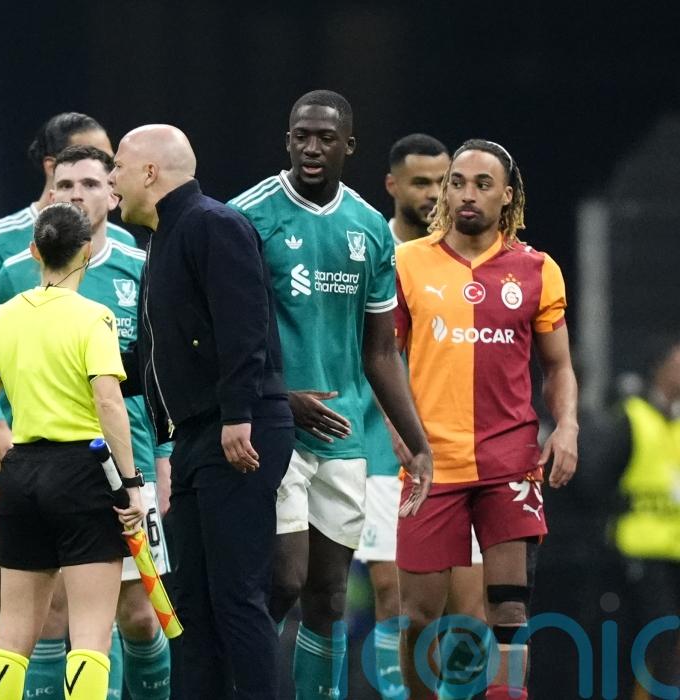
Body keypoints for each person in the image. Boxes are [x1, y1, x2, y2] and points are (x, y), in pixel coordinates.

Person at [229, 91, 433, 699]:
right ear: (288, 140)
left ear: (349, 145)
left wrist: (416, 441)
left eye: (324, 138)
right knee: (284, 580)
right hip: (273, 430)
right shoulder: (247, 217)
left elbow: (380, 352)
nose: (311, 148)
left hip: (343, 437)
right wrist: (275, 397)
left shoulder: (369, 229)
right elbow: (225, 333)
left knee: (330, 595)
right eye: (301, 136)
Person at [0, 111, 140, 696]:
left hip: (22, 473)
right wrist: (130, 484)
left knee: (12, 632)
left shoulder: (4, 316)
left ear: (33, 251)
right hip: (86, 473)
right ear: (85, 253)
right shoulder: (95, 317)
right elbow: (111, 404)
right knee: (92, 634)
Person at [112, 123, 293, 700]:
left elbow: (245, 326)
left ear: (149, 172)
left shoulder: (212, 224)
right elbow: (153, 355)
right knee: (190, 601)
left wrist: (238, 413)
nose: (113, 180)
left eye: (118, 166)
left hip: (237, 429)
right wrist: (84, 373)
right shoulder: (163, 241)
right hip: (197, 436)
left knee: (237, 596)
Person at [393, 140, 578, 699]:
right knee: (419, 616)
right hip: (432, 464)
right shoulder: (408, 262)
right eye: (457, 182)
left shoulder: (537, 270)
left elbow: (558, 366)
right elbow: (381, 359)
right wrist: (399, 433)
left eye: (482, 184)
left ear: (507, 196)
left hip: (510, 462)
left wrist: (567, 425)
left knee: (509, 610)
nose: (466, 194)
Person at [0, 145, 173, 698]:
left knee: (135, 614)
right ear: (49, 196)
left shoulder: (142, 268)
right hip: (97, 473)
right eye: (65, 185)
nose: (76, 194)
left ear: (112, 195)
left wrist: (161, 460)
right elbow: (105, 400)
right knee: (76, 625)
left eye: (89, 183)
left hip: (82, 466)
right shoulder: (21, 282)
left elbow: (159, 378)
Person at [356, 133, 486, 698]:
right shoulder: (368, 251)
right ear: (392, 185)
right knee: (397, 598)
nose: (434, 194)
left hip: (461, 452)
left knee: (471, 611)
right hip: (382, 454)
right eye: (421, 183)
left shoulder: (466, 257)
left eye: (443, 182)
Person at [607, 340, 680, 693]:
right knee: (651, 637)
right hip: (640, 550)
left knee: (669, 642)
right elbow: (601, 476)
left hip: (674, 550)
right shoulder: (633, 416)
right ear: (660, 367)